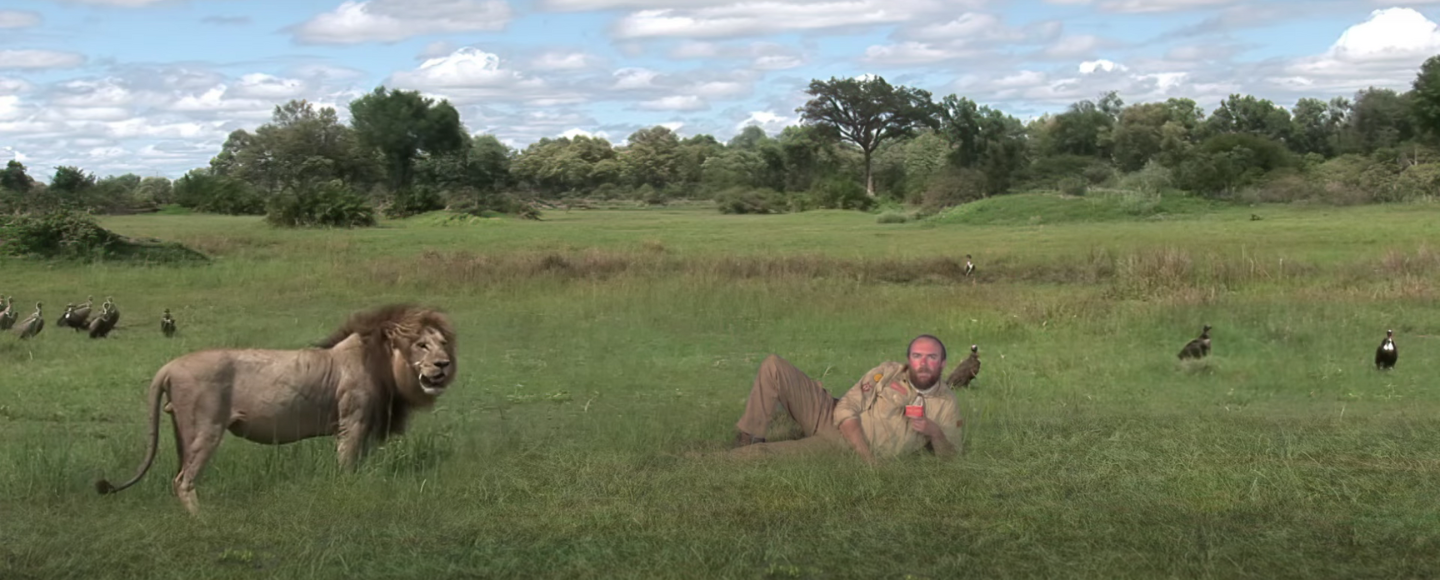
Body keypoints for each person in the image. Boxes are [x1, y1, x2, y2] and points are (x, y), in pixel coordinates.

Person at [731, 335, 964, 462]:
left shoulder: (945, 403)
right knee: (774, 366)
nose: (922, 363)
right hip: (831, 412)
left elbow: (951, 457)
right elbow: (849, 405)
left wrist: (934, 432)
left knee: (761, 457)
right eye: (917, 356)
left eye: (931, 357)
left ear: (942, 363)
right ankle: (750, 435)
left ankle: (705, 462)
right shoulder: (889, 370)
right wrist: (867, 459)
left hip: (842, 444)